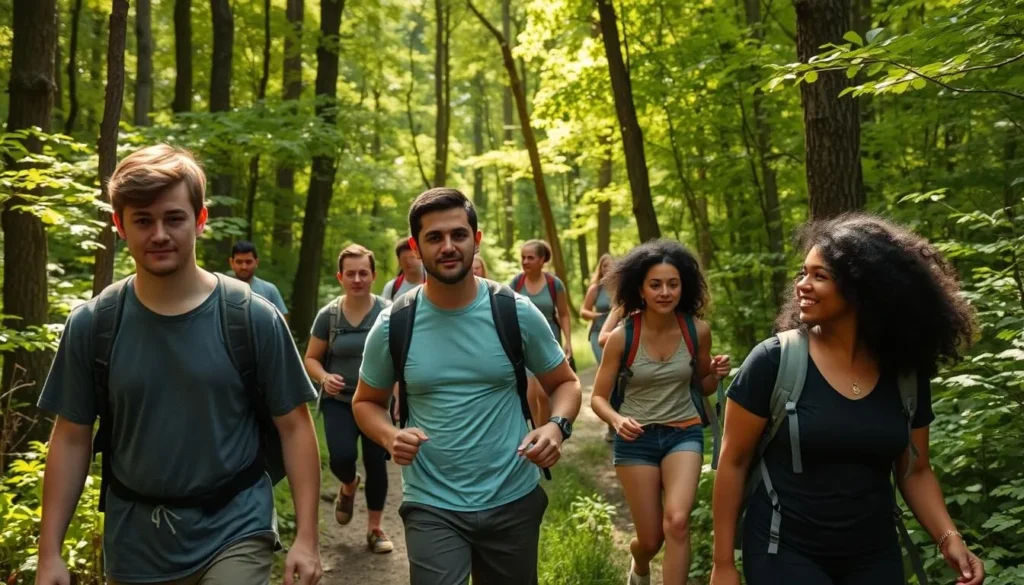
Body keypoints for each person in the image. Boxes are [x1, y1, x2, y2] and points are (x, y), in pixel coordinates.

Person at [34, 145, 323, 585]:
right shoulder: (93, 325)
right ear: (119, 225)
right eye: (143, 220)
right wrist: (49, 552)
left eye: (174, 218)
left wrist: (307, 538)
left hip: (235, 526)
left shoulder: (251, 317)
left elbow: (295, 426)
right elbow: (72, 438)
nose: (159, 234)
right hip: (136, 540)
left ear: (200, 220)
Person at [711, 213, 983, 585]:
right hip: (783, 549)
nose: (802, 286)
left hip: (875, 555)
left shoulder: (904, 373)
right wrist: (723, 563)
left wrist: (949, 538)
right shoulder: (774, 361)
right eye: (802, 273)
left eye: (819, 276)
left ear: (863, 289)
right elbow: (734, 462)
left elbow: (915, 471)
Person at [352, 187, 582, 585]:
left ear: (475, 241)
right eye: (434, 237)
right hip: (431, 503)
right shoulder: (394, 324)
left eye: (458, 235)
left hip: (513, 497)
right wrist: (390, 437)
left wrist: (555, 426)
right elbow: (365, 402)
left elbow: (565, 383)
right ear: (415, 247)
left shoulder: (515, 312)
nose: (448, 246)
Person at [590, 239, 730, 585]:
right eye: (656, 284)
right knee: (651, 540)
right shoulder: (623, 337)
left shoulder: (697, 331)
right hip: (636, 440)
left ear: (684, 286)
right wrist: (617, 419)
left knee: (678, 522)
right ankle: (639, 566)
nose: (665, 292)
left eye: (673, 284)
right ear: (641, 288)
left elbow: (704, 385)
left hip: (684, 433)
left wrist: (714, 371)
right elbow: (598, 398)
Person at [303, 244, 394, 554]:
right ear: (340, 277)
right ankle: (348, 485)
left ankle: (375, 529)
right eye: (351, 273)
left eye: (363, 273)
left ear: (374, 275)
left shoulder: (389, 311)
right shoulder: (328, 315)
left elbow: (402, 355)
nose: (357, 279)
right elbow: (311, 359)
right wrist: (324, 377)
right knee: (341, 458)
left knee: (376, 463)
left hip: (377, 403)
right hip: (339, 401)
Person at [511, 240, 572, 426]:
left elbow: (563, 314)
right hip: (522, 343)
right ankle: (537, 431)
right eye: (523, 257)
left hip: (548, 341)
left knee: (543, 395)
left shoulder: (555, 284)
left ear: (542, 260)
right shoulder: (516, 282)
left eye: (530, 257)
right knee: (530, 394)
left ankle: (544, 432)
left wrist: (568, 342)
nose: (525, 261)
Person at [581, 253, 615, 441]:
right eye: (604, 267)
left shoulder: (622, 288)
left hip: (617, 336)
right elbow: (583, 311)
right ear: (600, 269)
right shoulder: (596, 289)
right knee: (607, 376)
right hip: (597, 335)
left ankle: (618, 419)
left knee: (619, 378)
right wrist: (598, 316)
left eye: (611, 266)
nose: (607, 270)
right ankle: (611, 426)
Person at [229, 240, 289, 321]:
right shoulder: (222, 290)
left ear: (256, 262)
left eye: (248, 262)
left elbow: (282, 322)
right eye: (239, 262)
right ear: (232, 263)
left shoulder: (269, 290)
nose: (244, 267)